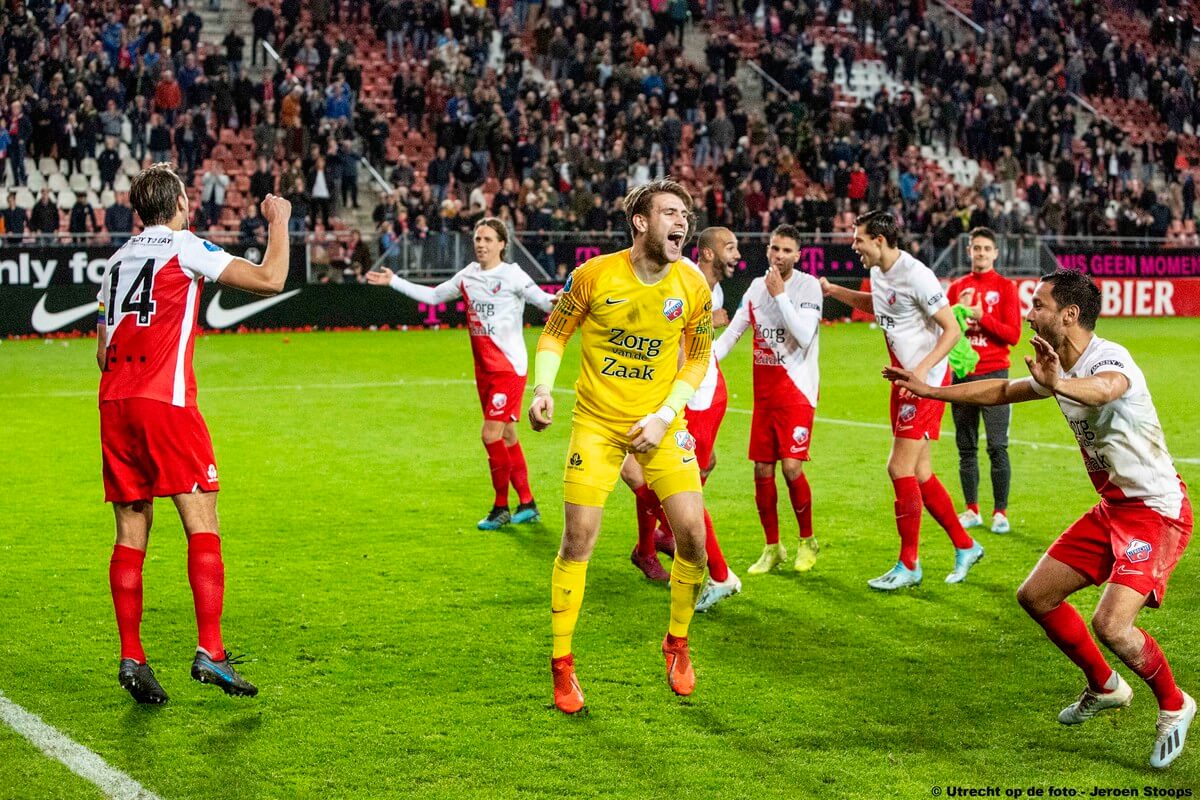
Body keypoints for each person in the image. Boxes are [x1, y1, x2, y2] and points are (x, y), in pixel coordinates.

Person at [886, 269, 1195, 768]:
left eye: (1039, 304)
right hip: (1114, 507)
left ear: (1069, 315)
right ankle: (1105, 686)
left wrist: (1061, 384)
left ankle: (1175, 704)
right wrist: (929, 390)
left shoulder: (1109, 359)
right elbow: (1002, 391)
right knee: (1036, 595)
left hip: (1156, 512)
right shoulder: (1060, 364)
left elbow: (1107, 388)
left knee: (1112, 625)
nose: (1030, 313)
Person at [97, 162, 292, 704]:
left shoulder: (114, 262)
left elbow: (100, 351)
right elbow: (271, 278)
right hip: (167, 402)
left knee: (131, 529)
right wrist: (279, 221)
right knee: (200, 517)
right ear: (180, 204)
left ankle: (132, 657)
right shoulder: (185, 247)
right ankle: (211, 650)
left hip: (114, 402)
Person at [528, 179, 713, 714]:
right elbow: (554, 332)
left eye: (686, 213)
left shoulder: (692, 286)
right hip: (597, 423)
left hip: (660, 424)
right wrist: (543, 388)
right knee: (578, 539)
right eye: (671, 212)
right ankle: (562, 664)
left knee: (694, 540)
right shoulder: (594, 275)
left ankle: (677, 642)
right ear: (640, 221)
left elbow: (697, 358)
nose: (682, 222)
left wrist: (662, 416)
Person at [820, 210, 983, 590]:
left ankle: (909, 564)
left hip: (921, 384)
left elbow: (953, 329)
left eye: (859, 238)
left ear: (879, 239)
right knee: (920, 473)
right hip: (902, 380)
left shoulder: (917, 274)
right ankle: (965, 544)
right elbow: (882, 306)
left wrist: (922, 373)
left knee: (899, 469)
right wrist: (835, 292)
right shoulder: (880, 273)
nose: (854, 245)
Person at [366, 218, 555, 529]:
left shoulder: (512, 275)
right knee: (507, 434)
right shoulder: (468, 276)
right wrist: (394, 281)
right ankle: (528, 502)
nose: (481, 244)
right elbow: (433, 296)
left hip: (509, 368)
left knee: (489, 434)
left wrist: (562, 301)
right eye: (478, 238)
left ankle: (500, 507)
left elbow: (544, 301)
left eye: (488, 239)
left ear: (502, 244)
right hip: (484, 370)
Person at [713, 224, 823, 576]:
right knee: (762, 470)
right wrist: (703, 359)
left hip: (798, 390)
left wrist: (780, 296)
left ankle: (807, 540)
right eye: (775, 248)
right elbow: (732, 334)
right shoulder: (756, 288)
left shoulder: (807, 287)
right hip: (765, 394)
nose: (779, 256)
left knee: (791, 468)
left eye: (786, 250)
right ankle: (772, 546)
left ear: (798, 254)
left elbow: (804, 336)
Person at [946, 227, 1021, 534]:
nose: (980, 253)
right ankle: (971, 509)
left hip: (994, 375)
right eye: (975, 248)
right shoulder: (957, 287)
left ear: (995, 253)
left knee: (997, 446)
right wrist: (958, 313)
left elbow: (1013, 335)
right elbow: (946, 333)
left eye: (986, 248)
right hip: (963, 375)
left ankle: (1000, 512)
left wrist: (980, 317)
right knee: (966, 447)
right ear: (969, 251)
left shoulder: (1005, 288)